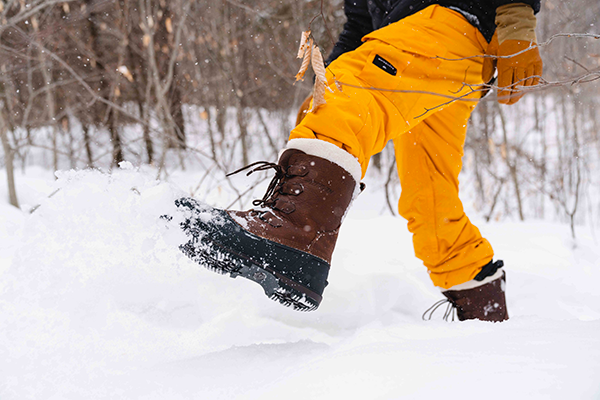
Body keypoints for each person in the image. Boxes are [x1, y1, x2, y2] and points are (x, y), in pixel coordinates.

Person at [176, 1, 543, 321]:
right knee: (430, 201)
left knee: (348, 93)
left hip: (446, 25)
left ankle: (296, 234)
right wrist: (326, 81)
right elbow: (360, 25)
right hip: (437, 57)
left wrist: (516, 17)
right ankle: (485, 312)